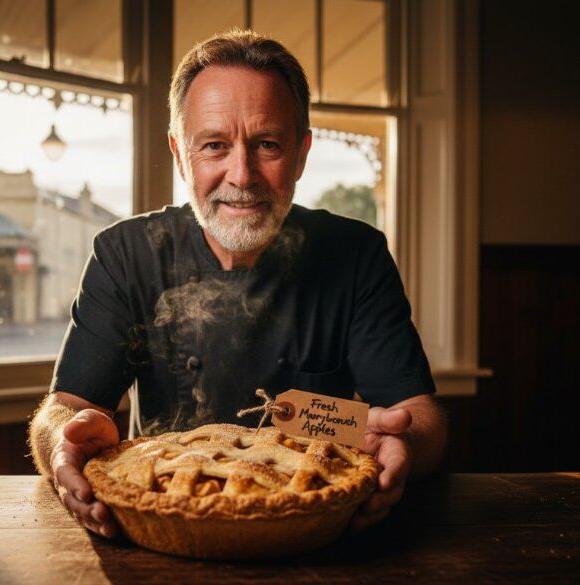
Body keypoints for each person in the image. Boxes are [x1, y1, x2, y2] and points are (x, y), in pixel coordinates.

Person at [29, 30, 447, 539]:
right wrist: (60, 443)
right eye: (214, 146)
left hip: (314, 533)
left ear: (301, 154)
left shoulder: (355, 253)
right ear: (180, 154)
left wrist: (403, 443)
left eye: (267, 143)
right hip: (167, 522)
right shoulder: (125, 254)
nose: (242, 174)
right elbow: (65, 409)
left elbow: (420, 416)